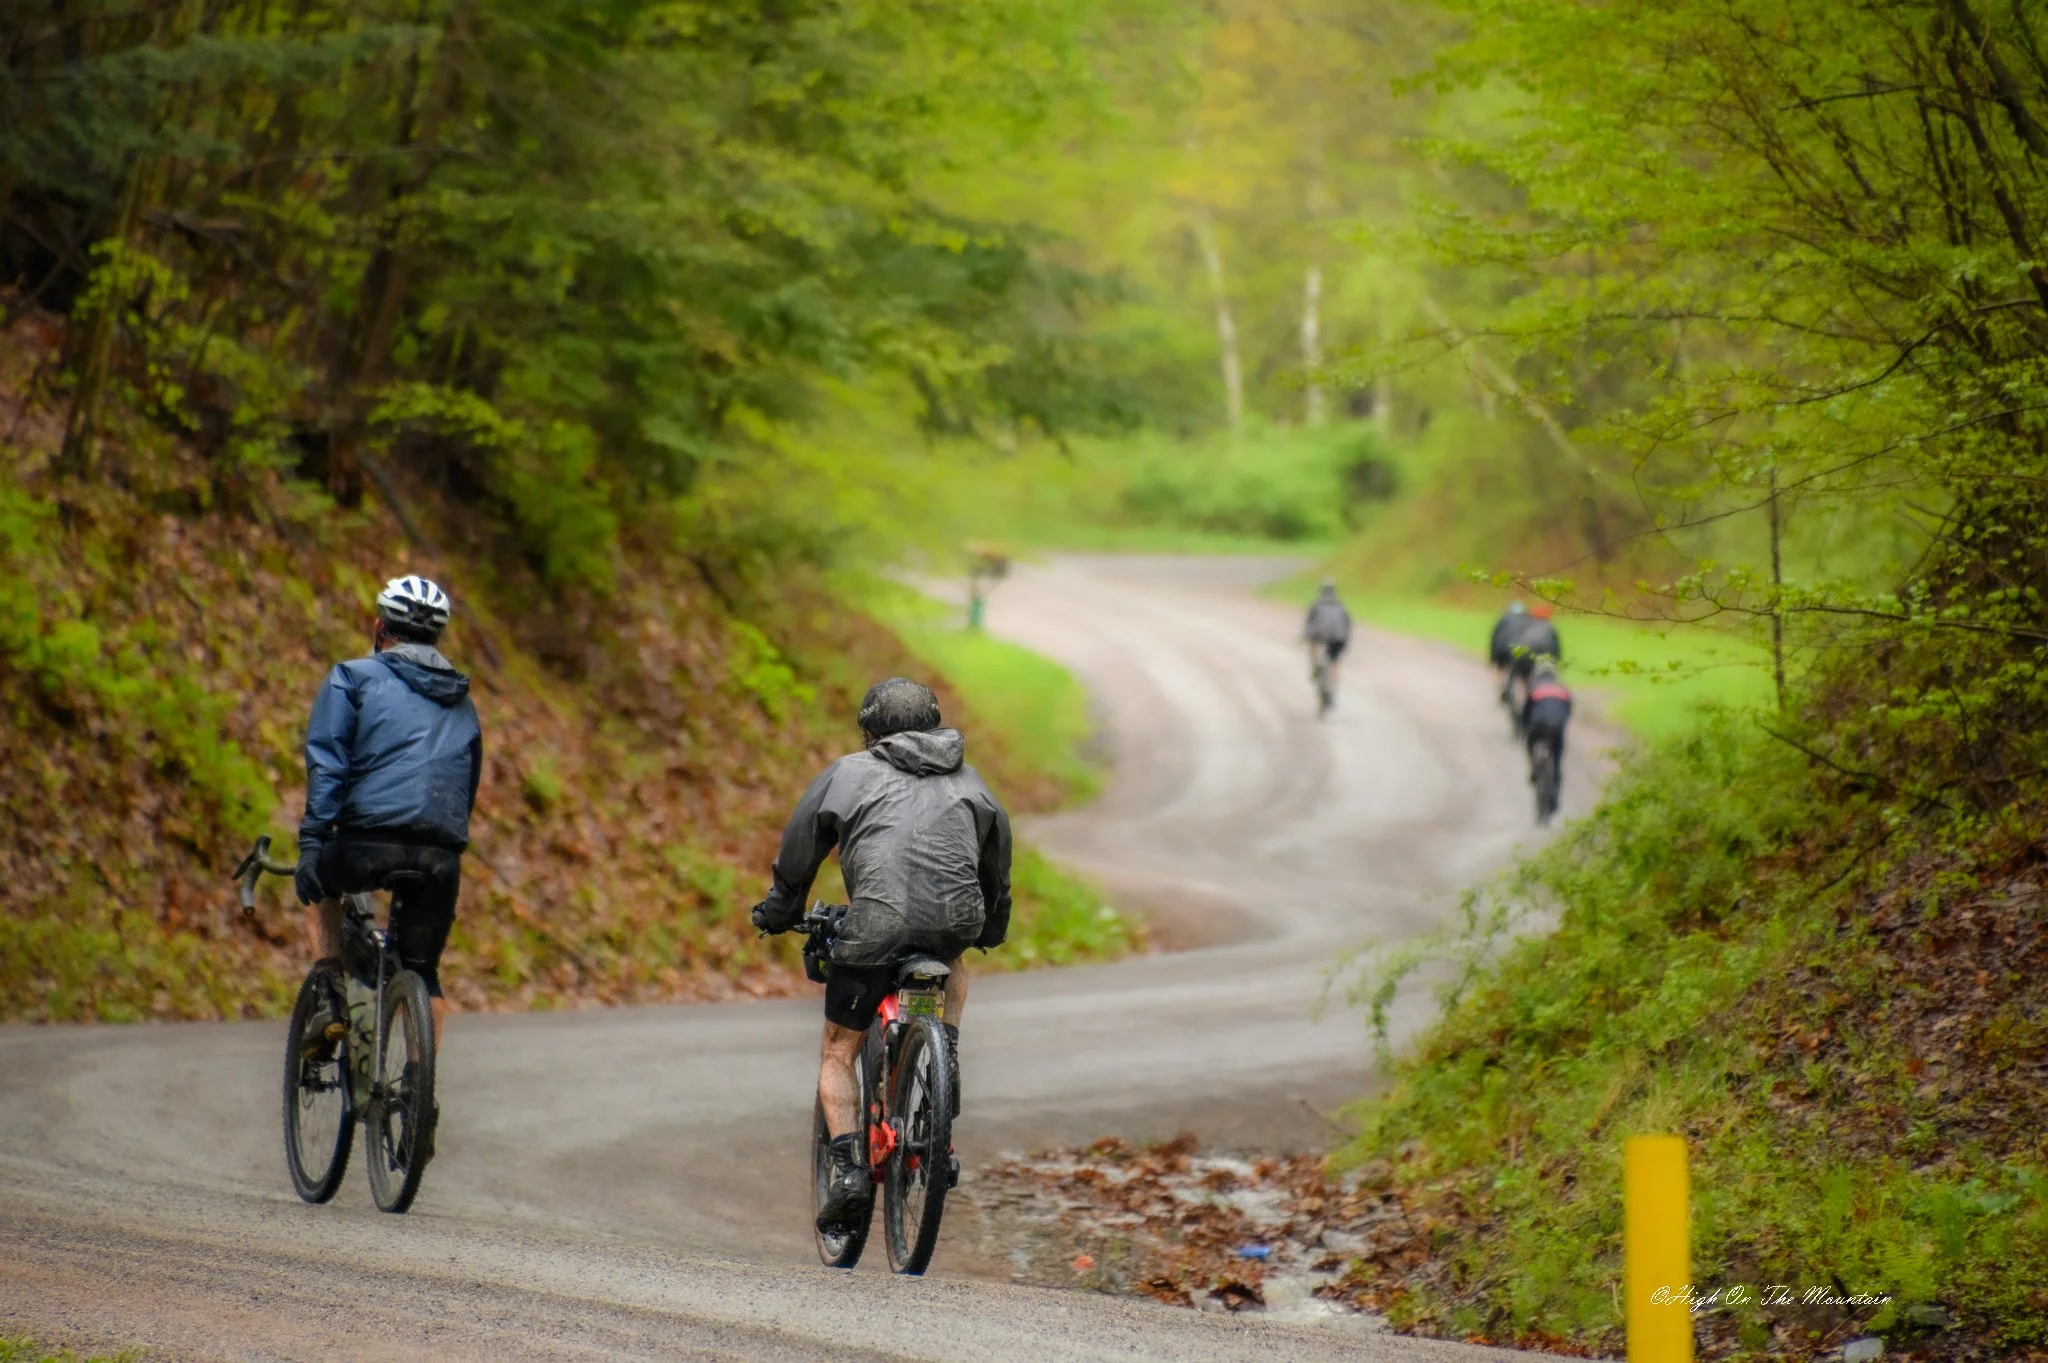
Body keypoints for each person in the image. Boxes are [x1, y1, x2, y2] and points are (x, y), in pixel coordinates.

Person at [750, 678, 1013, 1234]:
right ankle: (944, 1057)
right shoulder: (972, 782)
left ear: (870, 732)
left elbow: (800, 851)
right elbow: (996, 863)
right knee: (955, 960)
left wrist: (780, 910)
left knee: (838, 1052)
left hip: (875, 926)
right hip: (952, 926)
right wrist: (991, 924)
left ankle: (847, 1170)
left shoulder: (847, 774)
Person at [294, 574, 483, 1057]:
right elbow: (466, 786)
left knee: (323, 885)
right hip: (439, 855)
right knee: (424, 973)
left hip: (364, 842)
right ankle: (420, 1107)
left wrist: (313, 844)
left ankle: (331, 994)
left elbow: (328, 763)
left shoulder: (352, 677)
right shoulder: (462, 700)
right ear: (437, 637)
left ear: (380, 627)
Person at [1522, 656, 1573, 779]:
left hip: (1538, 724)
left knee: (1530, 742)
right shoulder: (1563, 689)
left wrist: (1524, 727)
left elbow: (1526, 711)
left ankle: (1533, 768)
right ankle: (1556, 775)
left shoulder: (1534, 686)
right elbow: (1568, 710)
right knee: (1557, 755)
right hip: (1557, 725)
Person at [1304, 579, 1353, 694]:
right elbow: (1347, 623)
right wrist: (1345, 639)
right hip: (1339, 637)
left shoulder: (1316, 604)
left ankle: (1315, 666)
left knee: (1313, 644)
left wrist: (1305, 636)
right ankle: (1334, 688)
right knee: (1335, 661)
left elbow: (1309, 624)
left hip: (1319, 635)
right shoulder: (1341, 605)